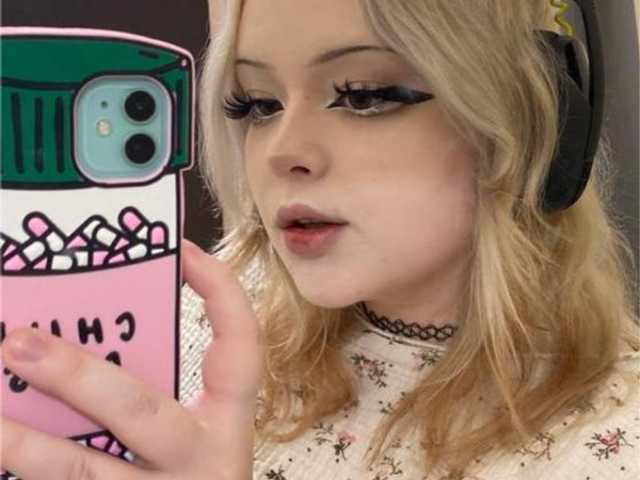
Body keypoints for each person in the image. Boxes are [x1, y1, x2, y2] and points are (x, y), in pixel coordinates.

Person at [1, 1, 638, 479]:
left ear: (537, 122)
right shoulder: (197, 309)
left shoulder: (614, 443)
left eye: (364, 96)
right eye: (255, 105)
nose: (282, 152)